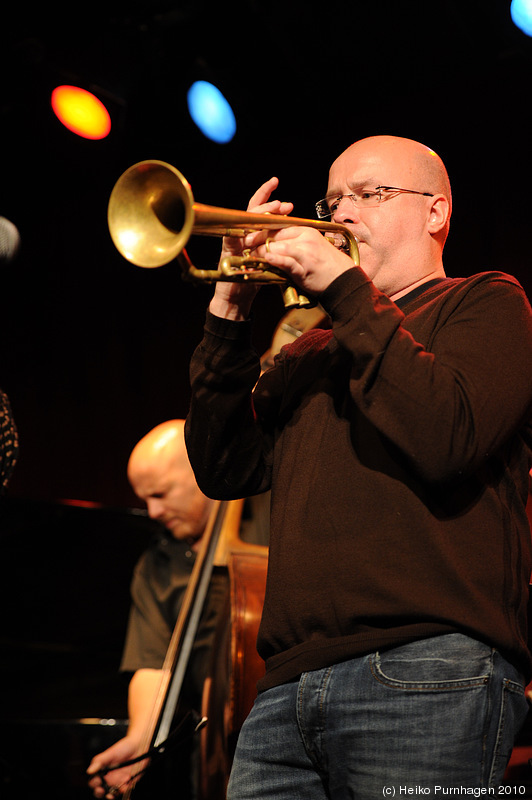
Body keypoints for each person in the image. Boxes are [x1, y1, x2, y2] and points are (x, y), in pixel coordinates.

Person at [184, 135, 532, 795]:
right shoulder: (310, 350)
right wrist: (229, 307)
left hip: (429, 669)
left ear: (436, 213)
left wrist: (344, 291)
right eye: (333, 198)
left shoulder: (486, 302)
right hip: (285, 690)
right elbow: (224, 469)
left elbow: (447, 435)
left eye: (369, 195)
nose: (342, 214)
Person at [87, 419, 223, 799]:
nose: (152, 511)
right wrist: (141, 739)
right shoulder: (156, 563)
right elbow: (152, 664)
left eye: (161, 494)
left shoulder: (265, 530)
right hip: (212, 747)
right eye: (144, 497)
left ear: (200, 471)